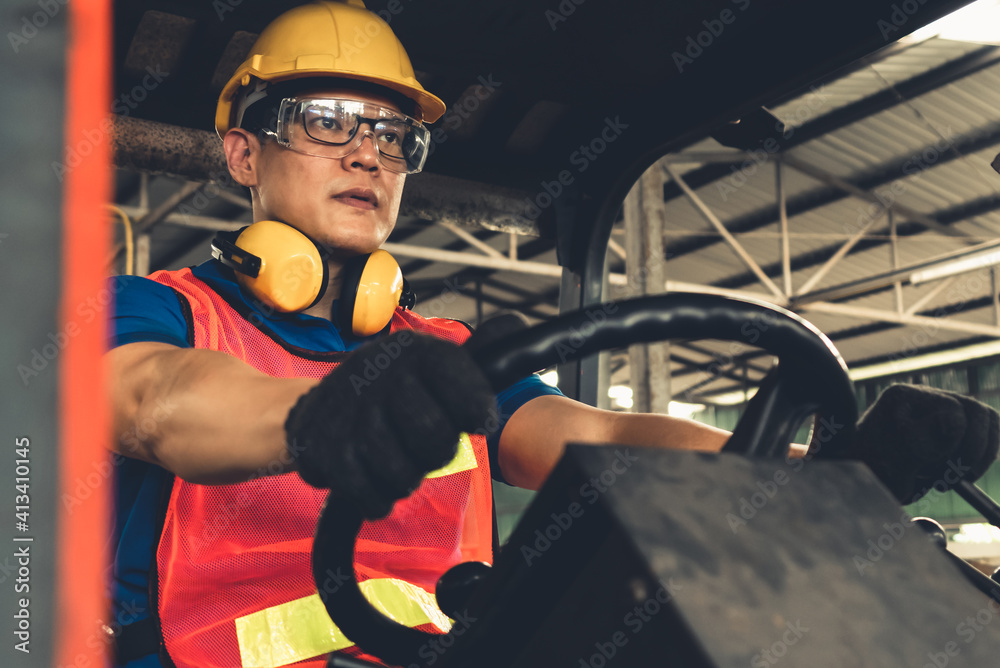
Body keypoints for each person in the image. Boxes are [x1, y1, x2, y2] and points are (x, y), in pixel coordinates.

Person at [105, 2, 732, 667]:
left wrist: (798, 468)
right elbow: (155, 403)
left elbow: (602, 441)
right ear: (244, 154)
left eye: (392, 135)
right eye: (327, 121)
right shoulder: (159, 311)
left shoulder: (451, 357)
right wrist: (326, 414)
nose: (367, 155)